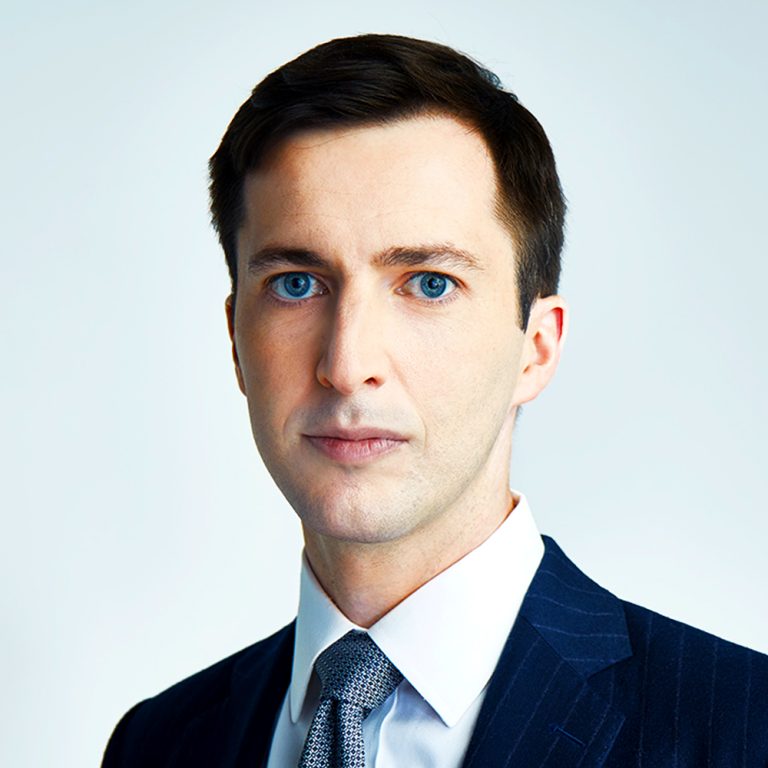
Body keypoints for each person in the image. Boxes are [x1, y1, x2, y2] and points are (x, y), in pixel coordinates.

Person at [102, 34, 768, 767]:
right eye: (297, 284)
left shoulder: (743, 728)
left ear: (536, 348)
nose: (347, 366)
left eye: (428, 284)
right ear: (236, 339)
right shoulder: (158, 744)